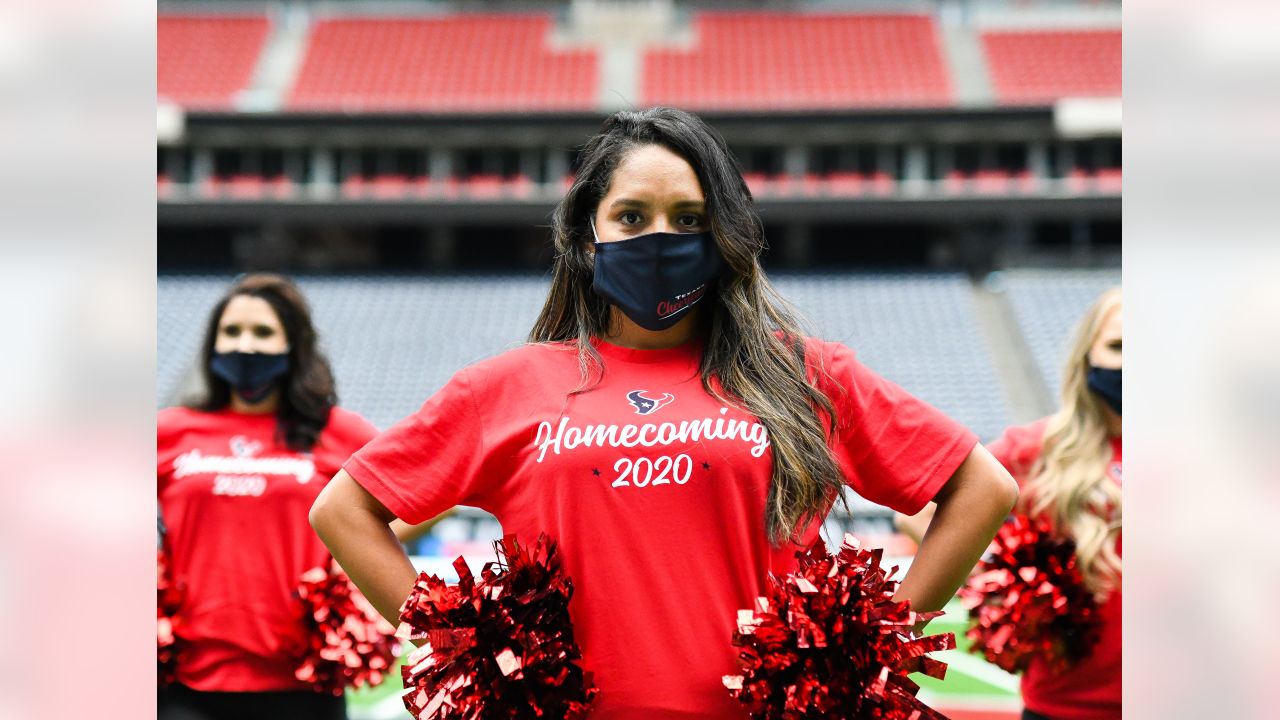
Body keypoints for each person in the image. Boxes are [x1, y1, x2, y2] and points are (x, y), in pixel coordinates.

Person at [310, 107, 1019, 720]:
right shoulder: (506, 386)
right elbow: (344, 510)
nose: (660, 238)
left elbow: (982, 489)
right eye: (631, 216)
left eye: (689, 219)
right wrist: (464, 651)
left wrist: (870, 649)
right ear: (589, 240)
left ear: (723, 238)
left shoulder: (802, 372)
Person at [157, 273, 428, 720]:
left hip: (304, 684)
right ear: (212, 345)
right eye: (231, 332)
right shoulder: (169, 430)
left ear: (293, 346)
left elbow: (429, 493)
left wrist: (353, 553)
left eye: (263, 332)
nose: (245, 345)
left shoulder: (336, 430)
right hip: (186, 684)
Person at [896, 288, 1122, 720]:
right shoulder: (1033, 448)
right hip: (1064, 706)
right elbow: (918, 511)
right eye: (1117, 347)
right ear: (1087, 357)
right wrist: (1006, 583)